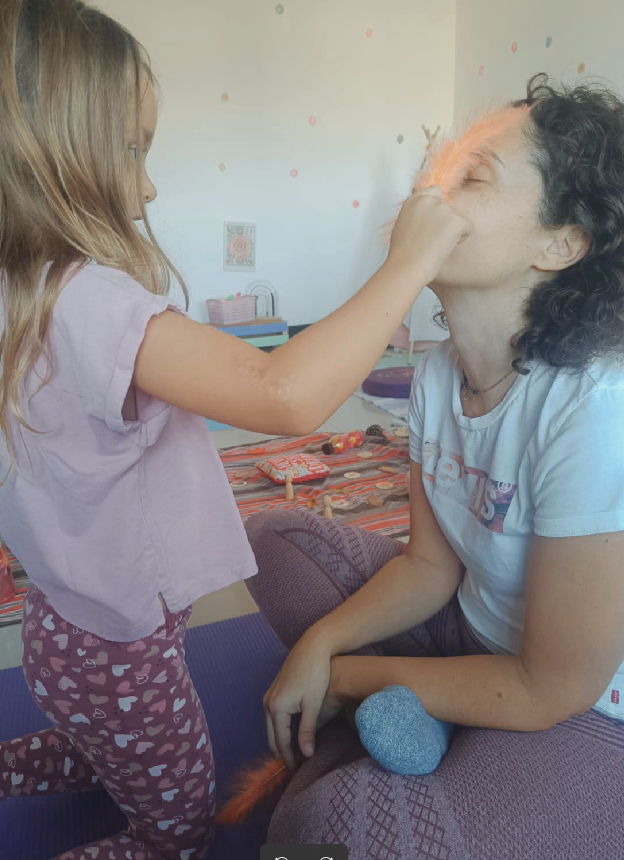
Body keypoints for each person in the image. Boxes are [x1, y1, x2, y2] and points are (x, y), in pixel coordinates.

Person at [0, 2, 471, 859]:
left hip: (60, 633)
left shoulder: (21, 288)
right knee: (177, 838)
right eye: (133, 149)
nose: (148, 186)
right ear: (56, 151)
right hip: (120, 655)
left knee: (96, 740)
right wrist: (407, 264)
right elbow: (282, 394)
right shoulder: (91, 302)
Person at [246, 75, 624, 859]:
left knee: (326, 831)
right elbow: (428, 565)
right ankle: (417, 720)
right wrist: (321, 642)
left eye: (471, 176)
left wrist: (341, 673)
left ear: (558, 245)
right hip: (472, 629)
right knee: (270, 541)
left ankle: (394, 726)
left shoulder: (594, 408)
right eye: (438, 172)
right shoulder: (439, 371)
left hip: (579, 703)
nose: (430, 194)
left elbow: (549, 687)